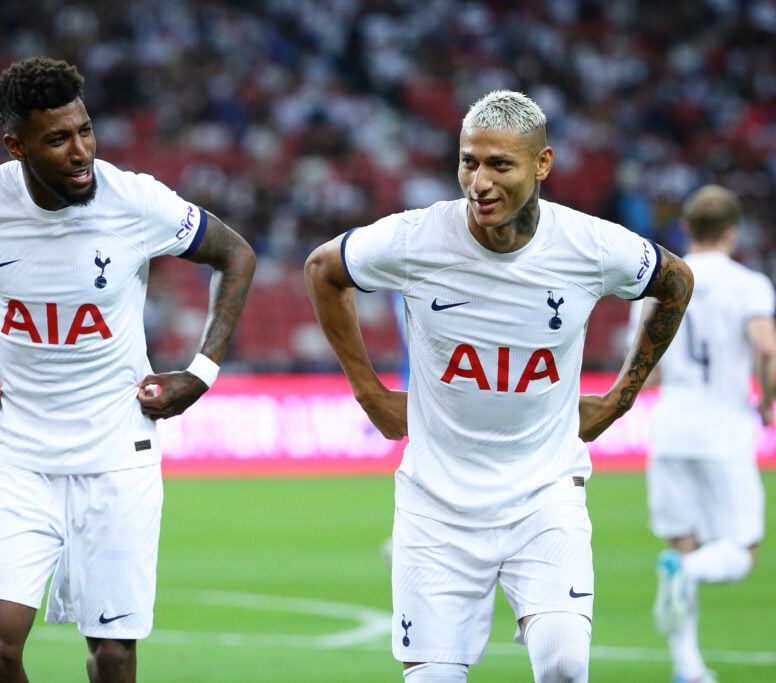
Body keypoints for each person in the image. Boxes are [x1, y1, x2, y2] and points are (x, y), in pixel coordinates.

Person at [303, 89, 694, 683]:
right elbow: (322, 270)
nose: (479, 181)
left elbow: (676, 282)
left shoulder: (590, 245)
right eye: (468, 161)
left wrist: (620, 398)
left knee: (564, 664)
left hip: (545, 495)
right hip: (435, 505)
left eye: (500, 164)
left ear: (542, 164)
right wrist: (369, 391)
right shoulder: (416, 239)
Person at [0, 57, 255, 683]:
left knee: (111, 655)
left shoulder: (135, 200)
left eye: (85, 130)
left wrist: (201, 372)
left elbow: (235, 254)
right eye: (58, 139)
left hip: (118, 455)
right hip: (18, 453)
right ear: (17, 145)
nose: (81, 150)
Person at [630, 185, 775, 683]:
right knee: (740, 550)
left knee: (681, 542)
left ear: (685, 228)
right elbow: (766, 346)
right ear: (733, 232)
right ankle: (686, 577)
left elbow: (642, 367)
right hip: (724, 430)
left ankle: (687, 667)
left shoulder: (660, 284)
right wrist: (767, 402)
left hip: (670, 427)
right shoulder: (749, 284)